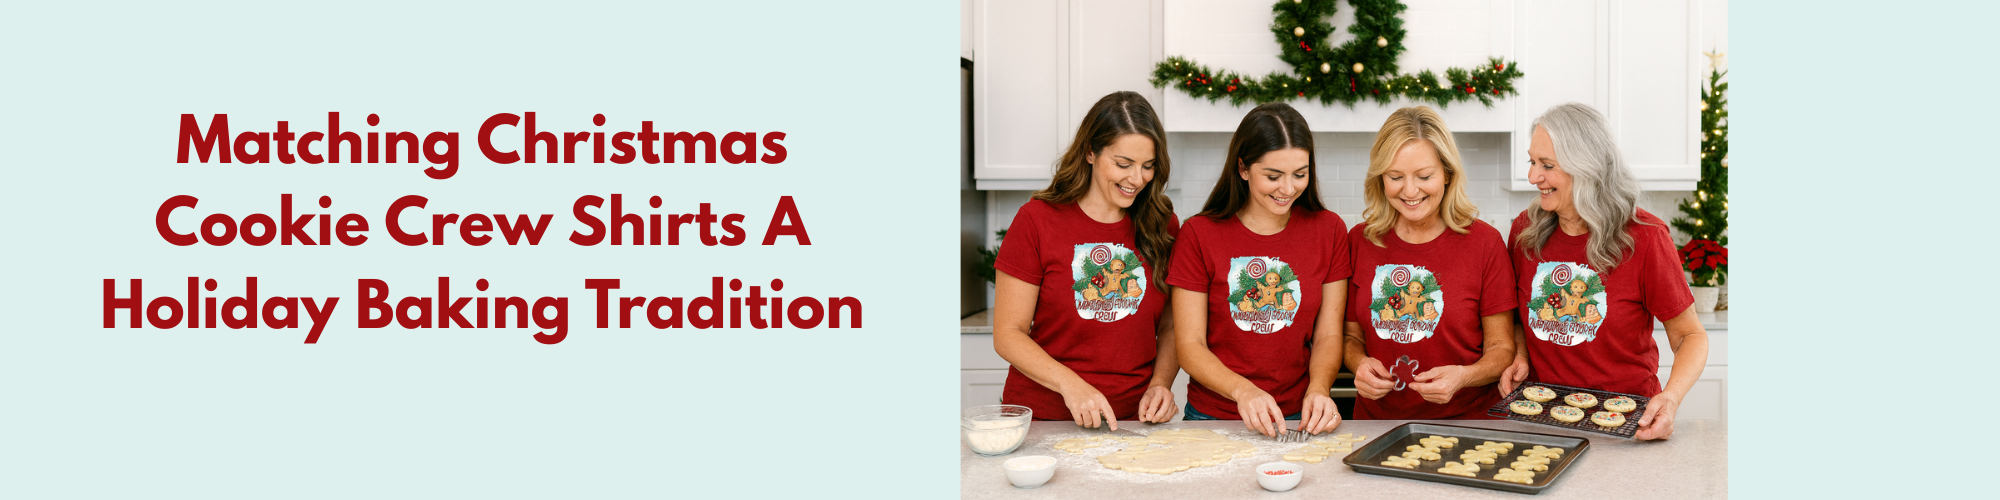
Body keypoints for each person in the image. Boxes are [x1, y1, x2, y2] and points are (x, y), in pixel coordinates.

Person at [1499, 103, 1710, 440]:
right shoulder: (1526, 230)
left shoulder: (1645, 237)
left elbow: (1690, 336)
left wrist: (1670, 398)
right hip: (1542, 421)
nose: (1533, 177)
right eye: (1533, 161)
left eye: (1547, 166)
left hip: (1624, 423)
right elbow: (1514, 317)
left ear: (1586, 168)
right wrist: (1521, 353)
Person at [992, 91, 1181, 430]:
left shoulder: (1161, 223)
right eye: (1123, 164)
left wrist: (1160, 383)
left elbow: (1171, 325)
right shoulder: (1037, 220)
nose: (1137, 179)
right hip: (1044, 417)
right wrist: (1073, 386)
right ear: (1090, 152)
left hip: (1131, 419)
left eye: (1148, 166)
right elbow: (1008, 333)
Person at [1168, 103, 1348, 437]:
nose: (1288, 188)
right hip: (1213, 420)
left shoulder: (1330, 230)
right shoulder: (1199, 234)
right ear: (1243, 168)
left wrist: (1319, 389)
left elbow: (1328, 335)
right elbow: (1190, 346)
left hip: (1299, 417)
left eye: (1300, 174)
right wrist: (1244, 391)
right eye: (1273, 176)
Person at [1344, 106, 1516, 420]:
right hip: (1376, 427)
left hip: (1468, 427)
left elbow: (1502, 349)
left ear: (1447, 174)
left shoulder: (1484, 243)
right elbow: (1351, 337)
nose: (1410, 191)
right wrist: (1359, 364)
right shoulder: (1359, 241)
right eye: (1395, 177)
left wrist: (1464, 377)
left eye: (1424, 176)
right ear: (1380, 177)